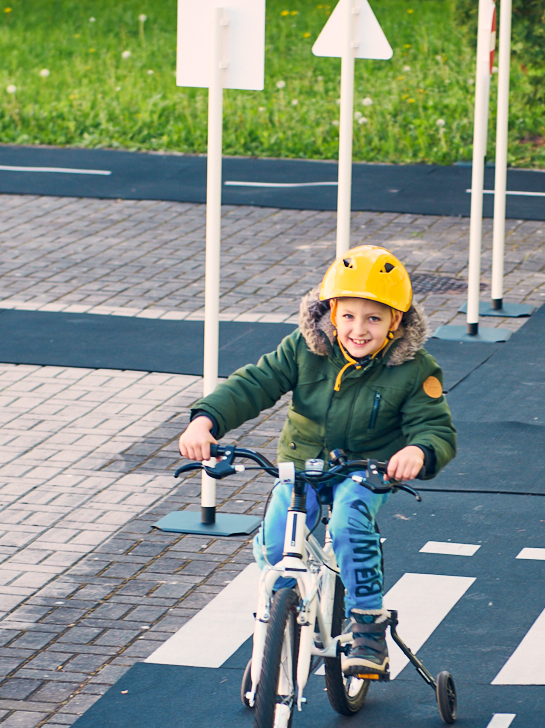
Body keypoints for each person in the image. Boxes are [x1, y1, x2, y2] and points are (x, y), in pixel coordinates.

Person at [178, 245, 457, 679]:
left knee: (347, 524)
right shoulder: (306, 349)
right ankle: (282, 625)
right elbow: (254, 384)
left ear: (396, 322)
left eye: (373, 319)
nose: (358, 330)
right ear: (330, 312)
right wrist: (206, 421)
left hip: (367, 470)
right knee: (275, 545)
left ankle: (368, 624)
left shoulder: (415, 369)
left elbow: (435, 427)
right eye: (347, 316)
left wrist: (417, 451)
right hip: (301, 465)